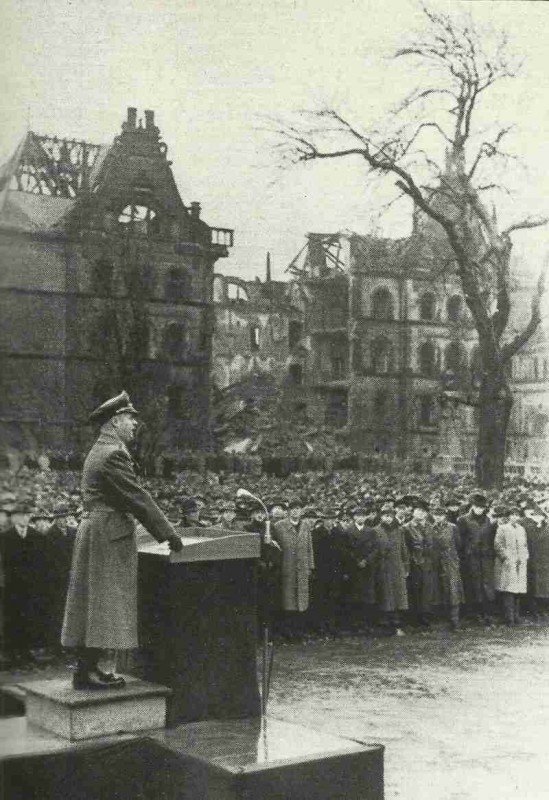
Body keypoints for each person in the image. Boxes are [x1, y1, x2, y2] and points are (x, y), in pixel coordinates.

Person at [61, 391, 183, 690]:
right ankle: (90, 671)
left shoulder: (100, 449)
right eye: (130, 419)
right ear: (115, 421)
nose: (134, 425)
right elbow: (137, 497)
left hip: (99, 530)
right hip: (108, 535)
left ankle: (87, 669)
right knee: (105, 603)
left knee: (93, 603)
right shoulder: (113, 453)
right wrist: (169, 533)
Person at [272, 496, 315, 638]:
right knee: (288, 600)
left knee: (302, 600)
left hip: (302, 568)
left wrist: (310, 566)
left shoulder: (306, 526)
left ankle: (299, 631)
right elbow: (274, 546)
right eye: (293, 509)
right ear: (289, 511)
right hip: (287, 568)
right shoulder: (279, 526)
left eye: (298, 509)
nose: (296, 512)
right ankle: (287, 631)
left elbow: (309, 547)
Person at [456, 492, 496, 625]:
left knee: (486, 585)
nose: (480, 509)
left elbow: (490, 539)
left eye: (482, 507)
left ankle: (485, 613)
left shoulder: (488, 520)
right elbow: (460, 541)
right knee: (472, 585)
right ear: (472, 506)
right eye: (477, 506)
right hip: (470, 558)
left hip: (485, 558)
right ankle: (472, 613)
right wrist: (467, 552)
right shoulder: (462, 520)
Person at [374, 502, 409, 635]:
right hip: (383, 567)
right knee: (385, 596)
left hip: (397, 566)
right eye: (385, 516)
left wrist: (406, 566)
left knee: (398, 596)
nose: (388, 518)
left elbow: (404, 549)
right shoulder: (376, 530)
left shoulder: (399, 530)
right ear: (381, 517)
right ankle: (386, 626)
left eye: (390, 516)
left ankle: (397, 625)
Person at [493, 505, 529, 626]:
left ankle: (516, 616)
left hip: (520, 563)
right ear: (508, 516)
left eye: (517, 515)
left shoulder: (521, 529)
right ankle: (509, 618)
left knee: (518, 591)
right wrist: (507, 558)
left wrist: (524, 557)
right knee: (509, 591)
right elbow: (498, 546)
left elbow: (524, 545)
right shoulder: (502, 528)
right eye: (512, 515)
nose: (514, 517)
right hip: (507, 564)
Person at [430, 503, 463, 630]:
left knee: (453, 590)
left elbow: (458, 544)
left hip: (450, 561)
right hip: (436, 562)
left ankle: (455, 620)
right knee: (438, 590)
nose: (438, 517)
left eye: (440, 515)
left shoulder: (452, 527)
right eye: (436, 515)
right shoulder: (431, 528)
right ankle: (441, 620)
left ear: (444, 516)